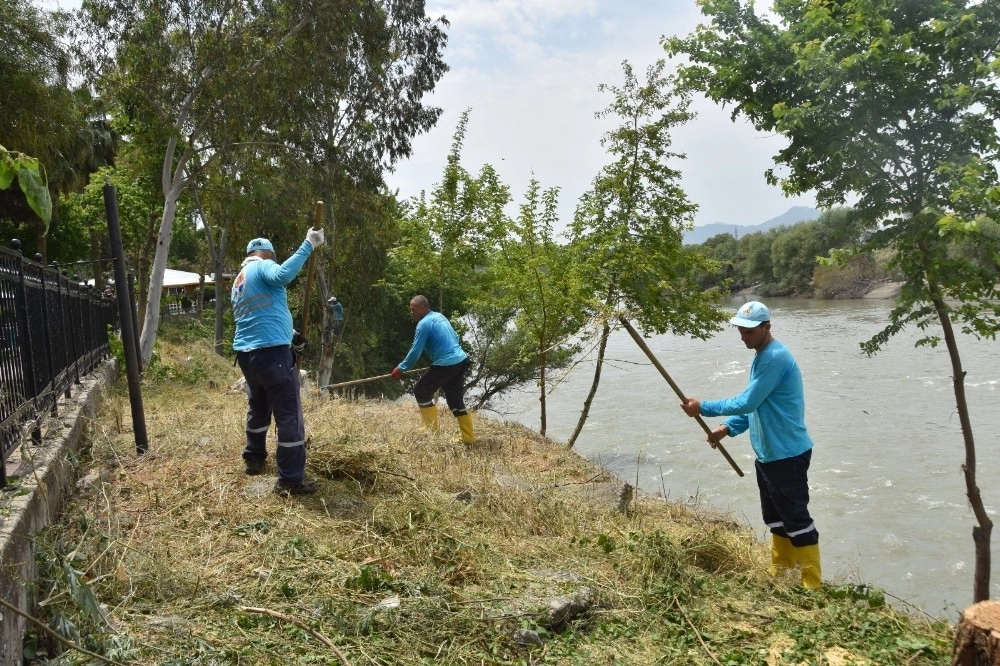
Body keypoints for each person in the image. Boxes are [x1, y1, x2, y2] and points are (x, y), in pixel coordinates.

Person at [679, 301, 821, 589]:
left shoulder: (773, 358)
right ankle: (781, 572)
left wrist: (702, 407)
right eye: (740, 331)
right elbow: (757, 407)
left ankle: (812, 585)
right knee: (775, 517)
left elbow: (749, 401)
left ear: (767, 327)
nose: (743, 336)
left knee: (796, 518)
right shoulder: (762, 355)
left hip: (787, 454)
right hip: (769, 454)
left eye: (749, 331)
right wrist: (727, 428)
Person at [232, 227, 324, 495]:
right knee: (289, 416)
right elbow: (283, 275)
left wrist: (292, 336)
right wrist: (308, 245)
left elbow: (262, 316)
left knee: (259, 406)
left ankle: (254, 458)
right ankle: (290, 480)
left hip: (249, 356)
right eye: (273, 256)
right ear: (267, 253)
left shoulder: (239, 279)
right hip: (272, 355)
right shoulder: (262, 267)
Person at [392, 295, 474, 444]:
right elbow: (455, 336)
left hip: (446, 363)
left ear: (423, 308)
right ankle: (467, 438)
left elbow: (416, 350)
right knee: (455, 400)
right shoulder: (439, 316)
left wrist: (401, 368)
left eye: (413, 309)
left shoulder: (424, 324)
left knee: (421, 391)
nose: (411, 313)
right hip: (460, 360)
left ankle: (431, 430)